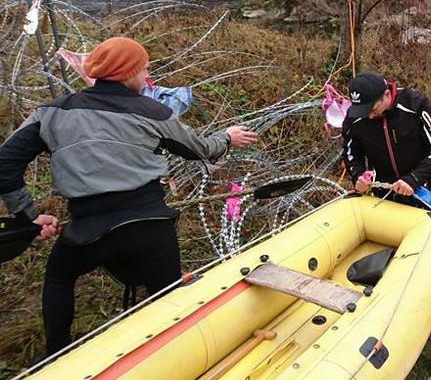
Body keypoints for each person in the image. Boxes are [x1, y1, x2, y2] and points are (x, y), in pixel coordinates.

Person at [0, 37, 258, 355]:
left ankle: (55, 354)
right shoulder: (153, 111)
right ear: (129, 73)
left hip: (87, 230)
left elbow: (4, 164)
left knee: (58, 277)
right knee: (167, 297)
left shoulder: (51, 113)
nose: (147, 75)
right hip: (150, 226)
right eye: (143, 69)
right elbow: (199, 149)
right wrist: (226, 137)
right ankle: (176, 354)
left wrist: (27, 215)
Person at [342, 71, 431, 208]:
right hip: (382, 192)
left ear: (387, 95)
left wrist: (415, 178)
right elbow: (350, 150)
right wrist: (357, 174)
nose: (369, 116)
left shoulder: (415, 104)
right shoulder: (355, 116)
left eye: (374, 109)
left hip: (422, 188)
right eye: (363, 112)